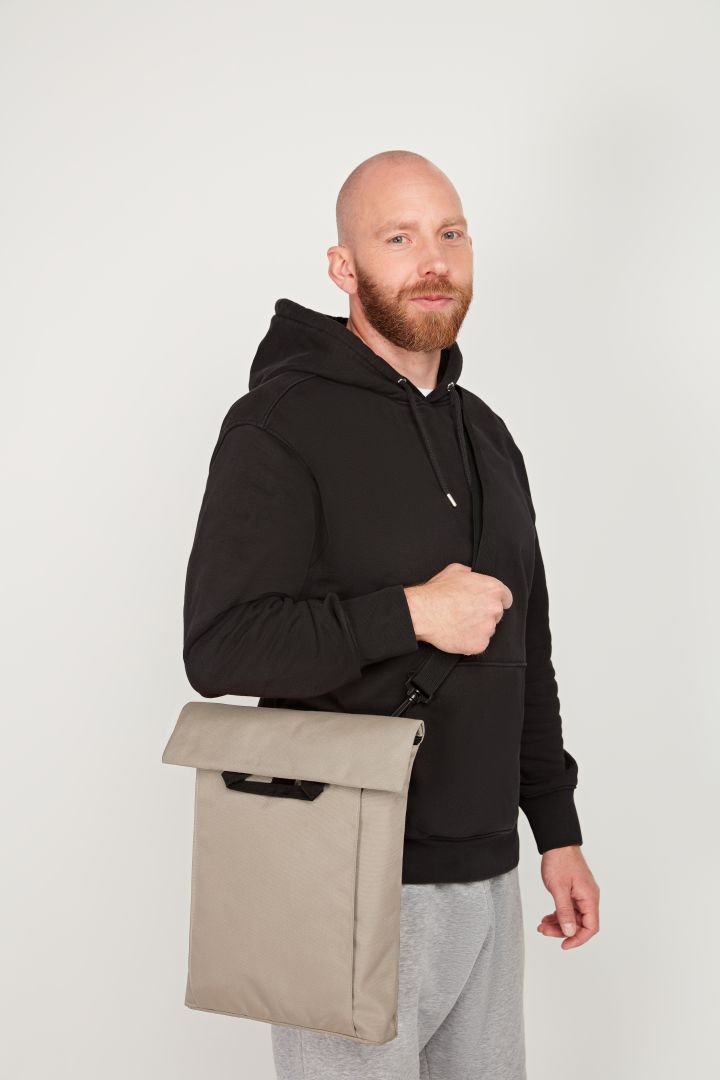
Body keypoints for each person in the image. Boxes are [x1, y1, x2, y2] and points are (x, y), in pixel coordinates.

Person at [182, 149, 600, 1079]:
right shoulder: (277, 423)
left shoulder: (488, 434)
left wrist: (557, 830)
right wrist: (409, 613)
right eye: (399, 238)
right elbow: (220, 645)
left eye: (450, 233)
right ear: (344, 266)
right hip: (344, 872)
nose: (433, 260)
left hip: (488, 876)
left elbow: (527, 650)